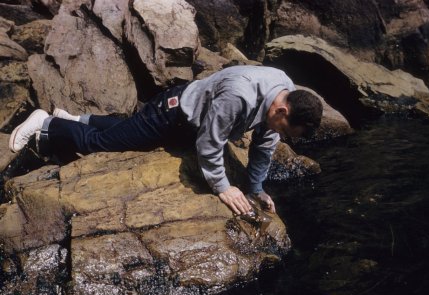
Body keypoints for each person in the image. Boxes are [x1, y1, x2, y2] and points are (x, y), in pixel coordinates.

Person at [9, 65, 323, 215]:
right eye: (284, 129)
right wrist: (223, 186)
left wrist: (255, 188)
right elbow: (210, 143)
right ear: (282, 109)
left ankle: (76, 118)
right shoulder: (239, 97)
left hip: (193, 116)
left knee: (127, 130)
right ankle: (48, 122)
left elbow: (264, 144)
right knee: (103, 145)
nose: (279, 135)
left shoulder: (286, 91)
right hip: (172, 113)